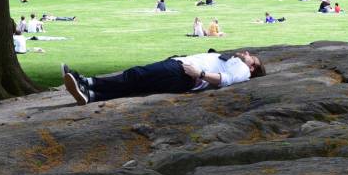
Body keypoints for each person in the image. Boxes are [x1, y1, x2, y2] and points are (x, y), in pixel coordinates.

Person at [61, 50, 266, 105]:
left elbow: (225, 79)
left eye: (251, 56)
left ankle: (86, 82)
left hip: (182, 71)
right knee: (137, 86)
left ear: (253, 67)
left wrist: (200, 74)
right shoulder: (237, 63)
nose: (246, 53)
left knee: (136, 75)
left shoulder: (243, 70)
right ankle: (91, 96)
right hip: (182, 74)